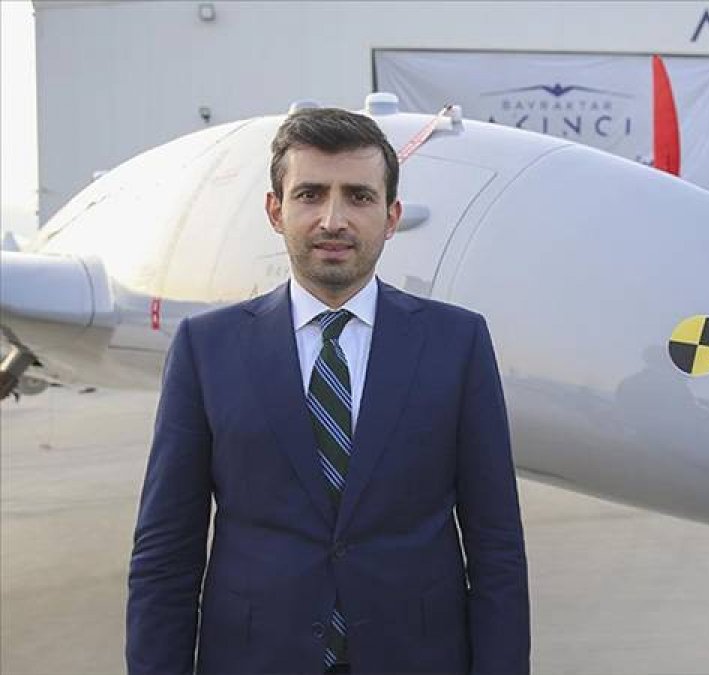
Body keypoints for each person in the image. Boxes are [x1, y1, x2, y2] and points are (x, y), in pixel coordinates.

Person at [127, 108, 529, 674]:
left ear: (391, 216)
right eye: (310, 194)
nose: (333, 220)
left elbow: (497, 548)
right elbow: (166, 552)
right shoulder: (206, 348)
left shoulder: (456, 343)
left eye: (359, 197)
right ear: (276, 210)